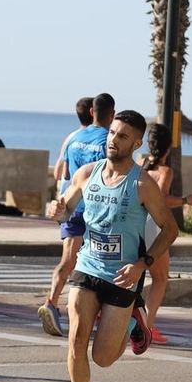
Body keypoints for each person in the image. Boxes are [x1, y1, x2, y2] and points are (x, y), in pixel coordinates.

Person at [45, 110, 177, 382]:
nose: (113, 140)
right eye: (112, 133)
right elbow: (65, 206)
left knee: (103, 358)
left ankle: (134, 321)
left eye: (121, 136)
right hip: (88, 267)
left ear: (136, 143)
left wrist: (142, 264)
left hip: (122, 276)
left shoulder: (142, 184)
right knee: (76, 340)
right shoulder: (88, 173)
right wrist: (56, 210)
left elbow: (169, 229)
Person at [40, 92, 114, 336]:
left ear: (92, 112)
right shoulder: (109, 141)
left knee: (69, 258)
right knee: (100, 264)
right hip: (95, 209)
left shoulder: (73, 138)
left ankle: (51, 302)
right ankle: (97, 313)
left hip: (69, 204)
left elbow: (62, 173)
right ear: (112, 115)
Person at [139, 121, 192, 344]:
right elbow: (160, 201)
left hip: (135, 224)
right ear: (168, 148)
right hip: (154, 226)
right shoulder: (165, 172)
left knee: (134, 275)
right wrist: (186, 200)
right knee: (160, 279)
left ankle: (122, 320)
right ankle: (146, 328)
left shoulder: (139, 164)